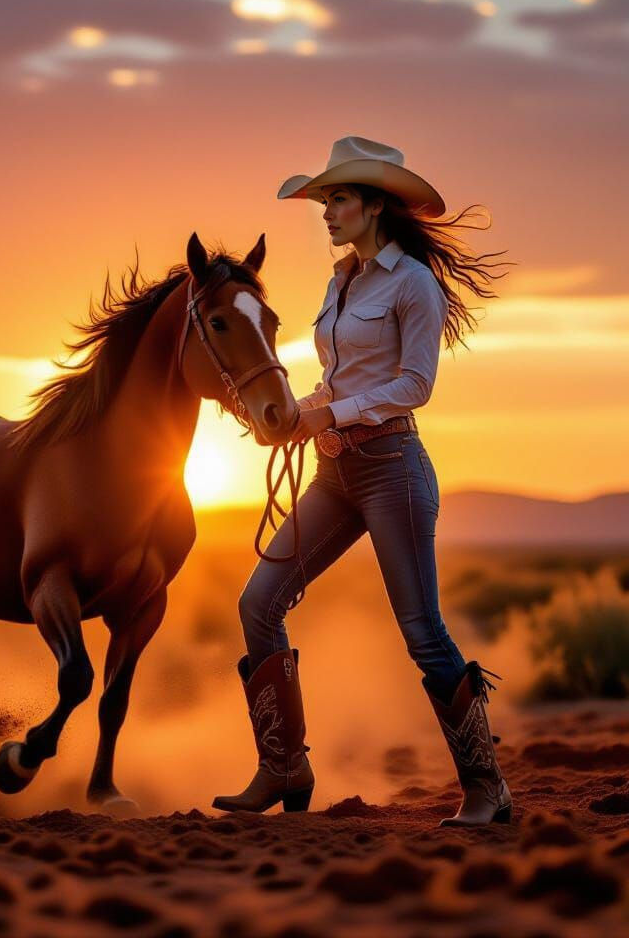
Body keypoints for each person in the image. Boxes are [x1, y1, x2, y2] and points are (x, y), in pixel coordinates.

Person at [212, 136, 514, 826]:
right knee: (258, 603)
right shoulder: (340, 281)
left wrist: (330, 414)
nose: (325, 211)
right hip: (332, 471)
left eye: (337, 198)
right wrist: (299, 416)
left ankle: (487, 791)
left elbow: (414, 385)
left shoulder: (413, 284)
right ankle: (283, 765)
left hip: (390, 471)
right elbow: (338, 377)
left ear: (374, 204)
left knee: (422, 631)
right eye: (324, 200)